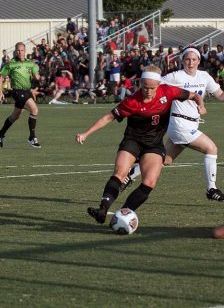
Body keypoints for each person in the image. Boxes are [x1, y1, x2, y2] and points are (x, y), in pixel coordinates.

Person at [75, 65, 205, 224]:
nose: (148, 91)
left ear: (159, 85)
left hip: (153, 145)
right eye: (145, 87)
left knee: (149, 182)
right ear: (140, 84)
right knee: (120, 173)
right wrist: (86, 133)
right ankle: (102, 209)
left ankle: (123, 214)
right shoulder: (132, 101)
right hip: (133, 140)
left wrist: (201, 105)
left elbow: (194, 95)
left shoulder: (169, 91)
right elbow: (108, 117)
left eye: (152, 88)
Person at [122, 48, 224, 201]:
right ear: (182, 61)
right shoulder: (175, 76)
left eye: (194, 59)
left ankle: (130, 175)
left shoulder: (204, 76)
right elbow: (155, 85)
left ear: (199, 61)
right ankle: (212, 189)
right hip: (179, 124)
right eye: (187, 59)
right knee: (211, 148)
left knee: (165, 160)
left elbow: (220, 95)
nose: (190, 63)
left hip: (191, 124)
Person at [0, 42, 41, 148]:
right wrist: (1, 92)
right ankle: (32, 138)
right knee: (34, 110)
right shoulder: (11, 64)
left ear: (25, 51)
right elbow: (1, 77)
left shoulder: (30, 63)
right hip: (17, 92)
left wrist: (38, 76)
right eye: (18, 50)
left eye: (22, 50)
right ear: (15, 51)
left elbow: (37, 76)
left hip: (27, 91)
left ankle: (0, 133)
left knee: (15, 116)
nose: (20, 52)